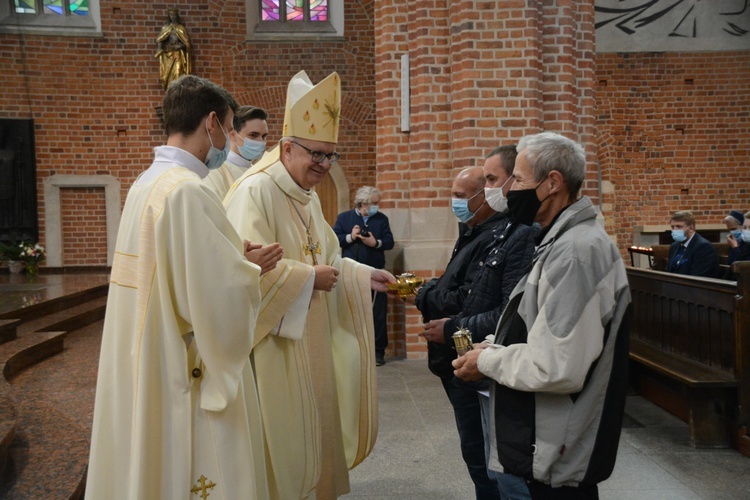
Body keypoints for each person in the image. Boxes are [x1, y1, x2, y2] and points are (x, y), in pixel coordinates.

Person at [87, 75, 283, 499]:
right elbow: (210, 301)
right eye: (231, 128)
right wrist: (247, 270)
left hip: (144, 354)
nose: (230, 140)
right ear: (211, 123)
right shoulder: (187, 191)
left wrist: (228, 256)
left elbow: (174, 271)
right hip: (183, 367)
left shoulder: (146, 183)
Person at [223, 70, 395, 500]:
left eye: (330, 156)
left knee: (314, 433)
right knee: (284, 446)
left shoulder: (308, 195)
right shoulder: (255, 193)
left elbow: (331, 258)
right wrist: (306, 279)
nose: (322, 164)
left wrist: (362, 275)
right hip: (273, 349)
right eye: (315, 154)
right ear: (286, 148)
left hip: (311, 338)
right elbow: (242, 277)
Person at [453, 132, 631, 498]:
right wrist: (495, 345)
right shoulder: (558, 240)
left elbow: (557, 366)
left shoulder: (575, 253)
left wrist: (488, 360)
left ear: (552, 183)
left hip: (551, 457)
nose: (508, 190)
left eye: (517, 179)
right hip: (538, 444)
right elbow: (542, 327)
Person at [420, 146, 538, 499]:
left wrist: (450, 324)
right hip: (467, 355)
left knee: (492, 465)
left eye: (493, 180)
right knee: (478, 458)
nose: (489, 188)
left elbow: (506, 309)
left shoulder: (519, 233)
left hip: (485, 359)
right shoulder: (479, 229)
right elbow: (463, 289)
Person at [415, 166, 507, 500]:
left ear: (486, 195)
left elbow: (465, 297)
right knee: (475, 454)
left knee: (487, 462)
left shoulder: (502, 234)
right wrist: (431, 290)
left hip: (476, 356)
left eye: (459, 195)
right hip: (458, 357)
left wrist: (425, 296)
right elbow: (452, 280)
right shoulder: (472, 230)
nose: (454, 202)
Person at [333, 186, 395, 366]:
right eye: (374, 203)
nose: (377, 206)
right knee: (351, 311)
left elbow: (389, 242)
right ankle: (352, 350)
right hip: (352, 272)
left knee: (378, 315)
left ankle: (378, 352)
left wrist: (375, 243)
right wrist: (351, 237)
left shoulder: (381, 219)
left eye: (378, 203)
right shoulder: (345, 218)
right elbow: (335, 238)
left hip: (376, 271)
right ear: (363, 203)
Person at [204, 106, 269, 200]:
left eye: (264, 136)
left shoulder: (259, 170)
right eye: (253, 135)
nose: (261, 141)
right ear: (233, 135)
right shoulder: (215, 171)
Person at [664, 210, 720, 278]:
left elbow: (698, 277)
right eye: (673, 227)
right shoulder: (674, 246)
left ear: (691, 228)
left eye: (679, 226)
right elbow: (668, 271)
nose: (675, 230)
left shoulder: (704, 247)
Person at [155, 8, 191, 90]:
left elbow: (186, 44)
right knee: (168, 76)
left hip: (178, 54)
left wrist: (180, 46)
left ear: (177, 16)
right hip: (168, 55)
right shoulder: (166, 28)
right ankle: (170, 91)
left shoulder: (181, 28)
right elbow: (160, 40)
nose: (173, 16)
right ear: (169, 16)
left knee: (178, 73)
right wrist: (160, 49)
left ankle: (178, 91)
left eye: (174, 15)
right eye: (171, 15)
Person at [726, 211, 750, 280]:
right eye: (745, 228)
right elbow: (732, 267)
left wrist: (735, 248)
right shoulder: (746, 245)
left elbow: (742, 267)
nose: (746, 231)